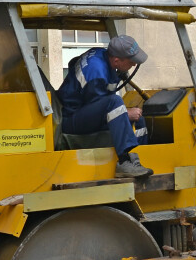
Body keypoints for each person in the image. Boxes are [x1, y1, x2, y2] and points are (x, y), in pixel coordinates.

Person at [58, 35, 153, 178]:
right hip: (71, 119)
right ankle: (123, 162)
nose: (134, 64)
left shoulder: (101, 54)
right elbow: (103, 110)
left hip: (82, 110)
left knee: (138, 119)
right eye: (131, 61)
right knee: (114, 102)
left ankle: (138, 160)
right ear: (116, 60)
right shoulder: (96, 74)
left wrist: (128, 113)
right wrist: (126, 113)